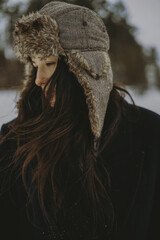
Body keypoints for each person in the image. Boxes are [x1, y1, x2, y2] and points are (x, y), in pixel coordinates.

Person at [0, 1, 160, 240]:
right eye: (35, 64)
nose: (38, 79)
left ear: (86, 67)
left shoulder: (150, 133)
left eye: (50, 63)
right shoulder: (15, 141)